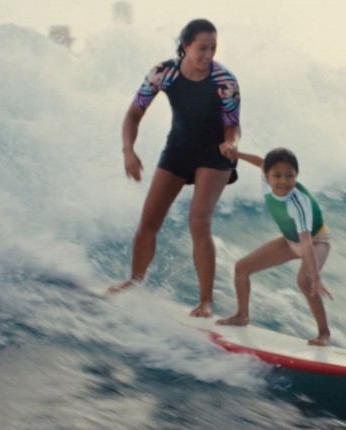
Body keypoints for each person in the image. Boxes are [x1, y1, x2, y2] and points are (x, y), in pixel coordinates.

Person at [108, 19, 241, 318]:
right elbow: (132, 116)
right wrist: (128, 150)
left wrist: (231, 143)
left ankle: (206, 301)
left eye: (213, 48)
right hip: (178, 150)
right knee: (148, 224)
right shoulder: (163, 73)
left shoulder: (225, 81)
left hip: (215, 154)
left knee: (198, 221)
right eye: (202, 48)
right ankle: (134, 282)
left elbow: (232, 125)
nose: (208, 55)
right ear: (185, 45)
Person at [216, 148, 334, 346]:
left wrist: (316, 277)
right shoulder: (265, 179)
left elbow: (306, 241)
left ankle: (324, 333)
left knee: (304, 280)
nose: (283, 181)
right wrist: (237, 155)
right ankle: (242, 315)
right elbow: (260, 161)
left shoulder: (298, 203)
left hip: (317, 240)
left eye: (290, 175)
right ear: (267, 175)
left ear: (297, 175)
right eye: (277, 175)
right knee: (241, 268)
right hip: (290, 240)